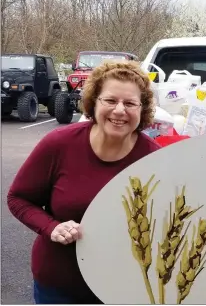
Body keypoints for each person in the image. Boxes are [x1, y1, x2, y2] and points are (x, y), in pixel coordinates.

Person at [7, 60, 161, 304]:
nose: (120, 110)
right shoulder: (59, 144)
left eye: (130, 103)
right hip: (59, 287)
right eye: (110, 100)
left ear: (142, 109)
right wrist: (51, 227)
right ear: (94, 101)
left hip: (124, 288)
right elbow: (18, 198)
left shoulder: (154, 159)